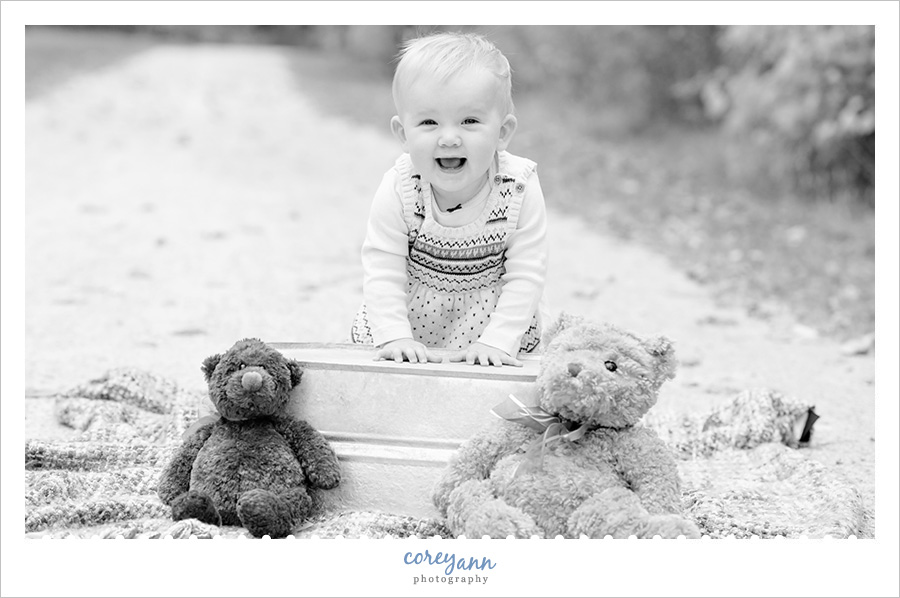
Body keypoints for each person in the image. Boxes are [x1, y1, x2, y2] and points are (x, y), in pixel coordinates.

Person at [351, 32, 548, 367]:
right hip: (411, 324)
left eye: (469, 121)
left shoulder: (518, 187)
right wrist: (394, 334)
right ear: (403, 134)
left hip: (491, 327)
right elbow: (383, 268)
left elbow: (526, 275)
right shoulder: (400, 187)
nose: (449, 137)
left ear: (502, 132)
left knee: (492, 402)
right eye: (429, 122)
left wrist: (499, 342)